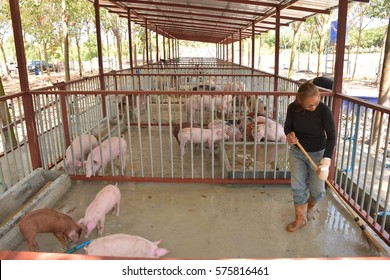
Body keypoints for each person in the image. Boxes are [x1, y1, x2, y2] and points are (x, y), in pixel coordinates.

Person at [284, 82, 336, 232]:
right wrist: (289, 135)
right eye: (308, 106)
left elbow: (331, 137)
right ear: (300, 102)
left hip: (318, 154)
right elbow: (288, 126)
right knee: (298, 186)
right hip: (298, 152)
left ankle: (310, 206)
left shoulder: (324, 111)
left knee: (318, 191)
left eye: (316, 103)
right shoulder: (292, 108)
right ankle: (299, 218)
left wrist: (325, 162)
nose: (313, 107)